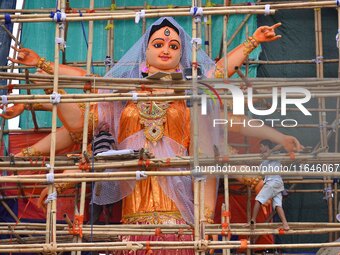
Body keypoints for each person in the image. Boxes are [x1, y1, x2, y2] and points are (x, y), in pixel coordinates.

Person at [4, 17, 299, 254]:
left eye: (174, 45)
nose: (166, 49)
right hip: (134, 209)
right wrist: (45, 82)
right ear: (144, 52)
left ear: (181, 56)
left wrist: (252, 42)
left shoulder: (190, 97)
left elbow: (218, 75)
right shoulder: (121, 98)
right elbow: (80, 124)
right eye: (159, 43)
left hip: (180, 206)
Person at [250, 139, 290, 231]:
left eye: (261, 146)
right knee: (277, 205)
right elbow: (259, 171)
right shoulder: (263, 161)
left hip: (273, 182)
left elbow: (282, 144)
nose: (260, 149)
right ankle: (285, 224)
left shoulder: (274, 153)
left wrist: (270, 152)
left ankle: (253, 220)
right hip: (277, 184)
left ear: (266, 146)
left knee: (258, 200)